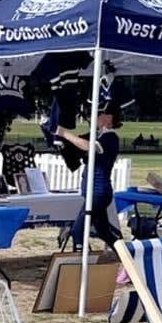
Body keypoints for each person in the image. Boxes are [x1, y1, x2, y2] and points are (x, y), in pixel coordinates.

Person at [54, 107, 123, 249]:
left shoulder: (110, 138)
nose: (95, 117)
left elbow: (89, 147)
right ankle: (128, 258)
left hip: (98, 192)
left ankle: (80, 263)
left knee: (78, 230)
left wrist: (64, 133)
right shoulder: (98, 135)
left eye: (99, 114)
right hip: (93, 191)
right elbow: (78, 144)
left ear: (109, 117)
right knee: (104, 231)